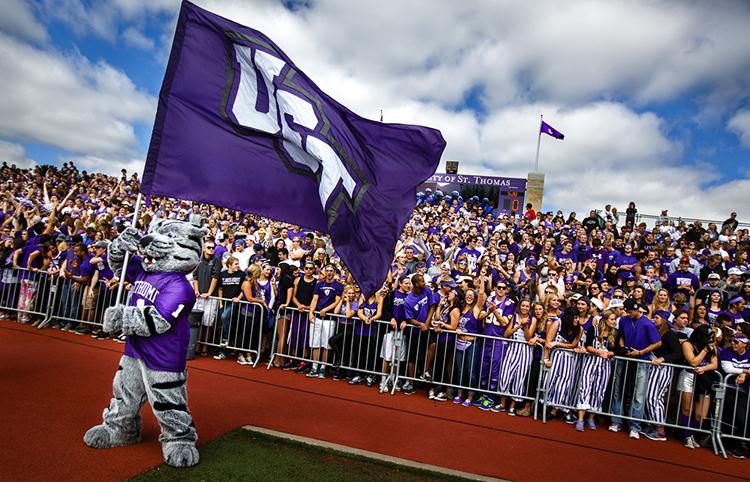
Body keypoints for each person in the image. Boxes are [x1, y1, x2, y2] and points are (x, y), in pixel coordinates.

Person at [609, 299, 662, 439]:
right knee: (618, 390)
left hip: (641, 361)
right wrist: (624, 348)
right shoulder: (624, 320)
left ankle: (634, 426)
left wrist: (640, 352)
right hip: (626, 359)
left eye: (630, 311)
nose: (628, 313)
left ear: (637, 309)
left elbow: (657, 343)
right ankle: (616, 421)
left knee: (638, 395)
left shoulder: (647, 323)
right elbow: (620, 336)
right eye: (626, 311)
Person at [642, 310, 684, 442]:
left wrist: (663, 359)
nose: (654, 319)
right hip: (654, 369)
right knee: (649, 397)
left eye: (657, 317)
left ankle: (660, 430)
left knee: (654, 397)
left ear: (665, 320)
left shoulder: (669, 334)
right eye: (653, 317)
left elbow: (678, 353)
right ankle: (653, 424)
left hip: (664, 369)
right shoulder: (655, 332)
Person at [575, 310, 618, 431]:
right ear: (605, 319)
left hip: (605, 366)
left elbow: (620, 349)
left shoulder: (615, 333)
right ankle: (580, 419)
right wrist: (599, 352)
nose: (614, 322)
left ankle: (591, 418)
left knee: (599, 391)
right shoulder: (594, 329)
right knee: (585, 388)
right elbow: (588, 345)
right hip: (590, 363)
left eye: (615, 319)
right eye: (612, 319)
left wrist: (611, 352)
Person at [679, 324, 719, 449]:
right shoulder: (687, 344)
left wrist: (703, 368)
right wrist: (705, 350)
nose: (710, 339)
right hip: (689, 376)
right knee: (687, 408)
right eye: (708, 336)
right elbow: (693, 362)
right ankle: (687, 436)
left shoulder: (712, 346)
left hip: (704, 379)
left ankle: (692, 434)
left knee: (701, 414)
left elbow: (714, 364)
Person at [495, 299, 537, 415]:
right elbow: (506, 334)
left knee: (519, 379)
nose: (524, 308)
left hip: (525, 351)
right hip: (512, 349)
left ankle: (512, 406)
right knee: (505, 375)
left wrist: (526, 326)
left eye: (527, 306)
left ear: (530, 308)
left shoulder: (533, 319)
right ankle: (502, 404)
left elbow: (528, 338)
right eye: (523, 305)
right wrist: (518, 326)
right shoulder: (514, 316)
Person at [307, 264, 344, 378]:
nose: (329, 273)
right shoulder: (319, 285)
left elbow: (337, 301)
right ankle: (314, 367)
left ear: (334, 272)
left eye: (331, 271)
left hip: (329, 319)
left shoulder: (338, 286)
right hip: (317, 317)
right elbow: (315, 299)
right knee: (315, 343)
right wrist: (311, 312)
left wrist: (326, 310)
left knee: (326, 344)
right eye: (327, 270)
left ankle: (323, 367)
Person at [402, 273, 437, 394]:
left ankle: (425, 371)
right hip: (414, 331)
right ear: (416, 284)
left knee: (433, 344)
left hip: (426, 328)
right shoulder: (408, 300)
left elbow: (432, 306)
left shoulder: (426, 290)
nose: (424, 283)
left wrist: (426, 323)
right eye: (422, 281)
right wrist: (420, 324)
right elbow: (409, 319)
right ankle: (411, 383)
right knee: (412, 357)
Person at [719, 333, 750, 458]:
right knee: (729, 417)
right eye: (732, 340)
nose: (733, 343)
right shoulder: (726, 352)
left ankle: (741, 445)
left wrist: (744, 374)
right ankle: (731, 445)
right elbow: (727, 368)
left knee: (742, 418)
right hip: (729, 391)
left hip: (744, 392)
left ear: (745, 344)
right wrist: (745, 371)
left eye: (736, 342)